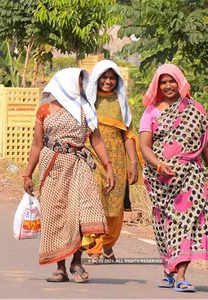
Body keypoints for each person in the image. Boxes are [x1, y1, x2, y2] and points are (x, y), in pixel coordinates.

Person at [23, 68, 115, 283]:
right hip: (52, 166)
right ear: (65, 82)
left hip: (79, 165)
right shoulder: (45, 110)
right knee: (56, 215)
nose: (83, 86)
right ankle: (60, 268)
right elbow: (37, 143)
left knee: (83, 212)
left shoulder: (86, 108)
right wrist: (27, 174)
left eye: (84, 82)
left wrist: (108, 165)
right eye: (79, 82)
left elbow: (97, 140)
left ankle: (77, 261)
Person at [139, 64, 208, 292]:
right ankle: (169, 269)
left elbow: (204, 146)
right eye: (163, 81)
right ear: (157, 85)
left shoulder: (195, 110)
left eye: (172, 81)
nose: (168, 86)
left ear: (181, 82)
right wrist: (159, 165)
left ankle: (181, 274)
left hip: (190, 177)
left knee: (184, 222)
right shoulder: (151, 111)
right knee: (162, 224)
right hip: (160, 179)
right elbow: (145, 146)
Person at [82, 60, 140, 261]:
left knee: (114, 208)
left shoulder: (121, 102)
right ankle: (95, 247)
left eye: (112, 78)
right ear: (97, 79)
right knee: (94, 202)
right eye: (104, 78)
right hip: (92, 159)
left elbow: (128, 135)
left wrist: (133, 163)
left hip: (117, 162)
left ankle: (108, 244)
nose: (108, 81)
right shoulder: (87, 101)